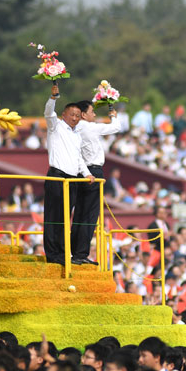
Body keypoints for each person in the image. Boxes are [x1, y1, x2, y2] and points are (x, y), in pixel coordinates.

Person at [42, 83, 95, 265]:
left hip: (72, 180)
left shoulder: (76, 135)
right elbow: (49, 113)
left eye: (77, 116)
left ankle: (65, 254)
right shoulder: (55, 127)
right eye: (71, 115)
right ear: (64, 115)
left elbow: (79, 159)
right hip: (57, 176)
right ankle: (53, 254)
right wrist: (53, 98)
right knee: (53, 217)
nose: (74, 118)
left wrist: (87, 174)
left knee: (66, 217)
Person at [72, 100, 120, 265]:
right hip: (93, 171)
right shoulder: (89, 127)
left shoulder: (75, 128)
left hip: (80, 171)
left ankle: (75, 251)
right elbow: (116, 127)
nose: (94, 114)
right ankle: (81, 254)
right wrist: (113, 115)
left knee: (79, 212)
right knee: (90, 215)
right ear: (84, 115)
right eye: (92, 112)